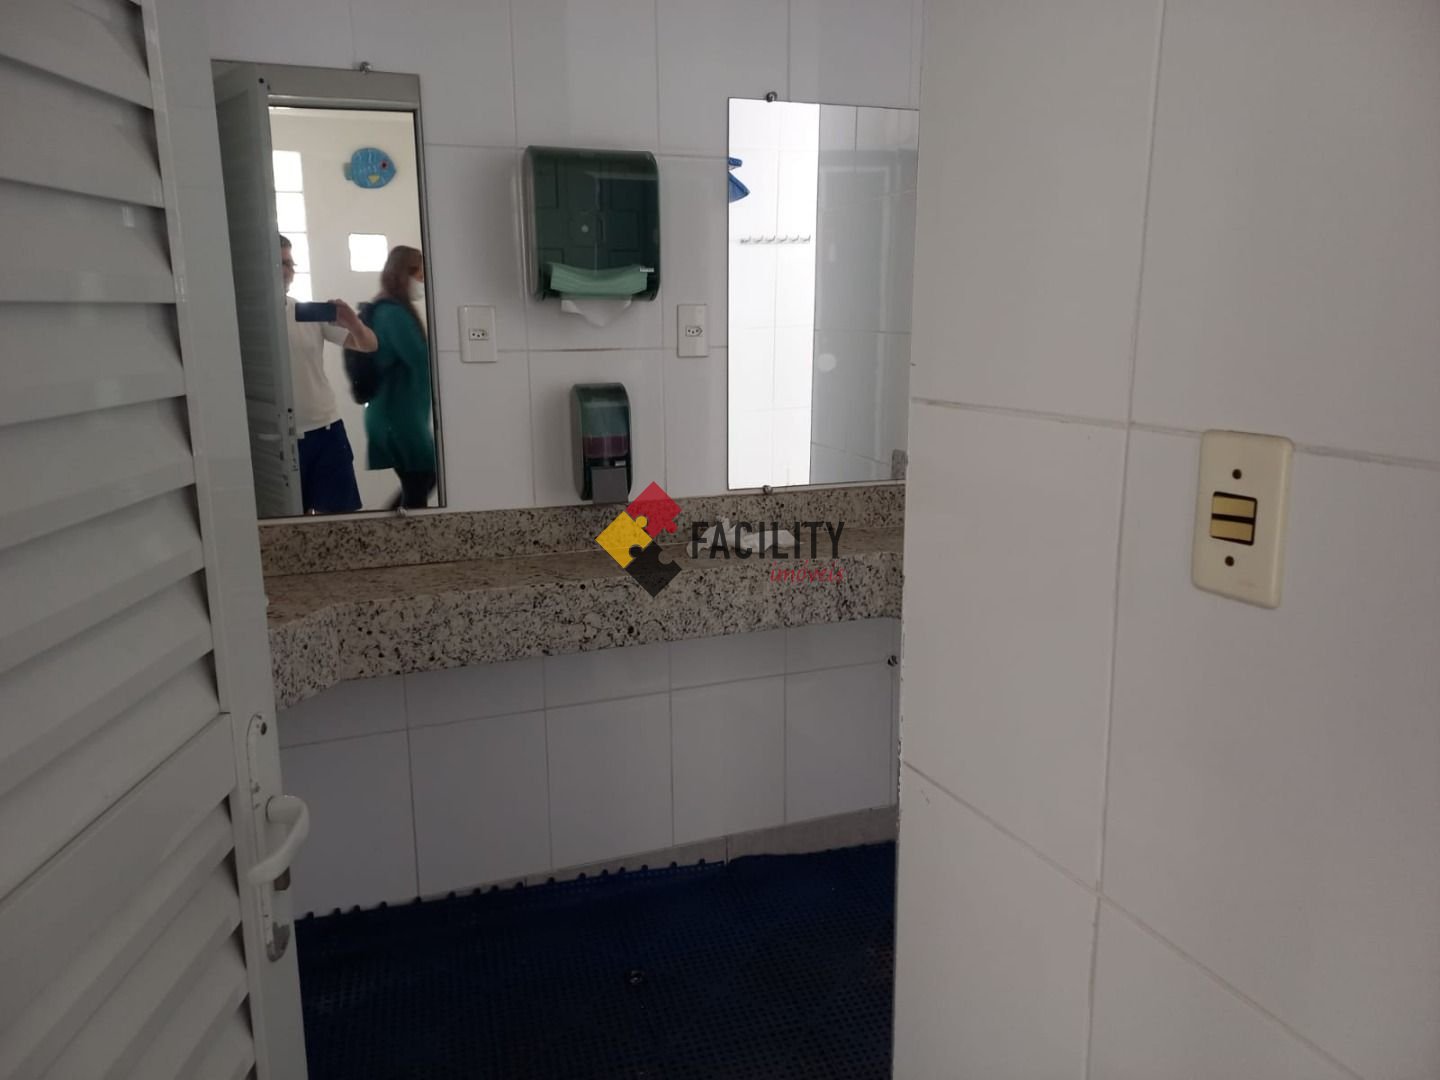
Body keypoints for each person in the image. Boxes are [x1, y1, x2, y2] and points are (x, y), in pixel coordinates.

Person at [280, 235, 377, 514]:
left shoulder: (306, 312)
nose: (288, 270)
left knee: (339, 522)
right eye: (281, 263)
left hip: (325, 431)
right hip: (274, 439)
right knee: (286, 521)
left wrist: (353, 322)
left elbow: (369, 345)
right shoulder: (245, 318)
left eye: (290, 263)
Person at [365, 245, 436, 509]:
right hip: (397, 418)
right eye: (420, 276)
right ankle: (392, 532)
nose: (423, 283)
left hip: (399, 415)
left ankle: (392, 530)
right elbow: (420, 359)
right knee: (421, 480)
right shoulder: (392, 314)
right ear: (405, 274)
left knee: (418, 483)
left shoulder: (391, 310)